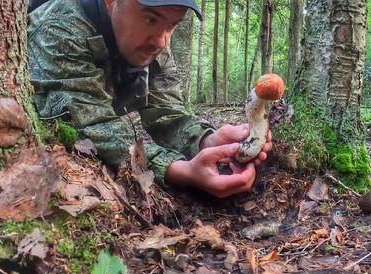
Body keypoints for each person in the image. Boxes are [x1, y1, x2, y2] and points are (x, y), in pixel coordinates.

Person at [27, 0, 271, 198]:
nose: (161, 40)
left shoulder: (153, 41)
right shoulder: (60, 26)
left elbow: (167, 112)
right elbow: (91, 123)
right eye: (150, 19)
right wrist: (178, 170)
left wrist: (207, 141)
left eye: (172, 25)